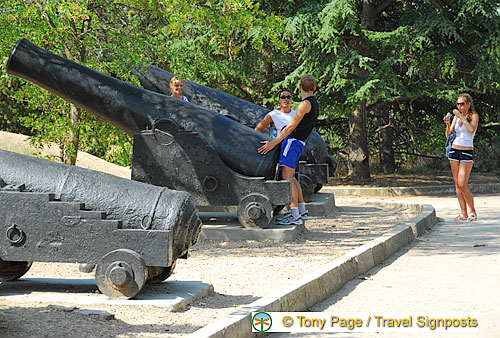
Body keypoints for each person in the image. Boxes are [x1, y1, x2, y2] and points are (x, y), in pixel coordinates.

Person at [258, 75, 319, 225]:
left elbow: (290, 127)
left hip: (291, 142)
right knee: (292, 178)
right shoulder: (314, 103)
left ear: (299, 87)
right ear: (315, 87)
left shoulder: (304, 104)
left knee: (287, 178)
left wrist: (273, 143)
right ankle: (301, 211)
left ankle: (294, 215)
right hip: (299, 143)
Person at [443, 93, 479, 221]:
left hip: (466, 152)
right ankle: (463, 213)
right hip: (454, 151)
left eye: (462, 104)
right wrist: (448, 124)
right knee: (458, 184)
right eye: (458, 104)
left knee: (463, 183)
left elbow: (471, 130)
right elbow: (449, 135)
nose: (459, 106)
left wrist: (461, 117)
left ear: (468, 104)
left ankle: (472, 211)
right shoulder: (456, 118)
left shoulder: (473, 116)